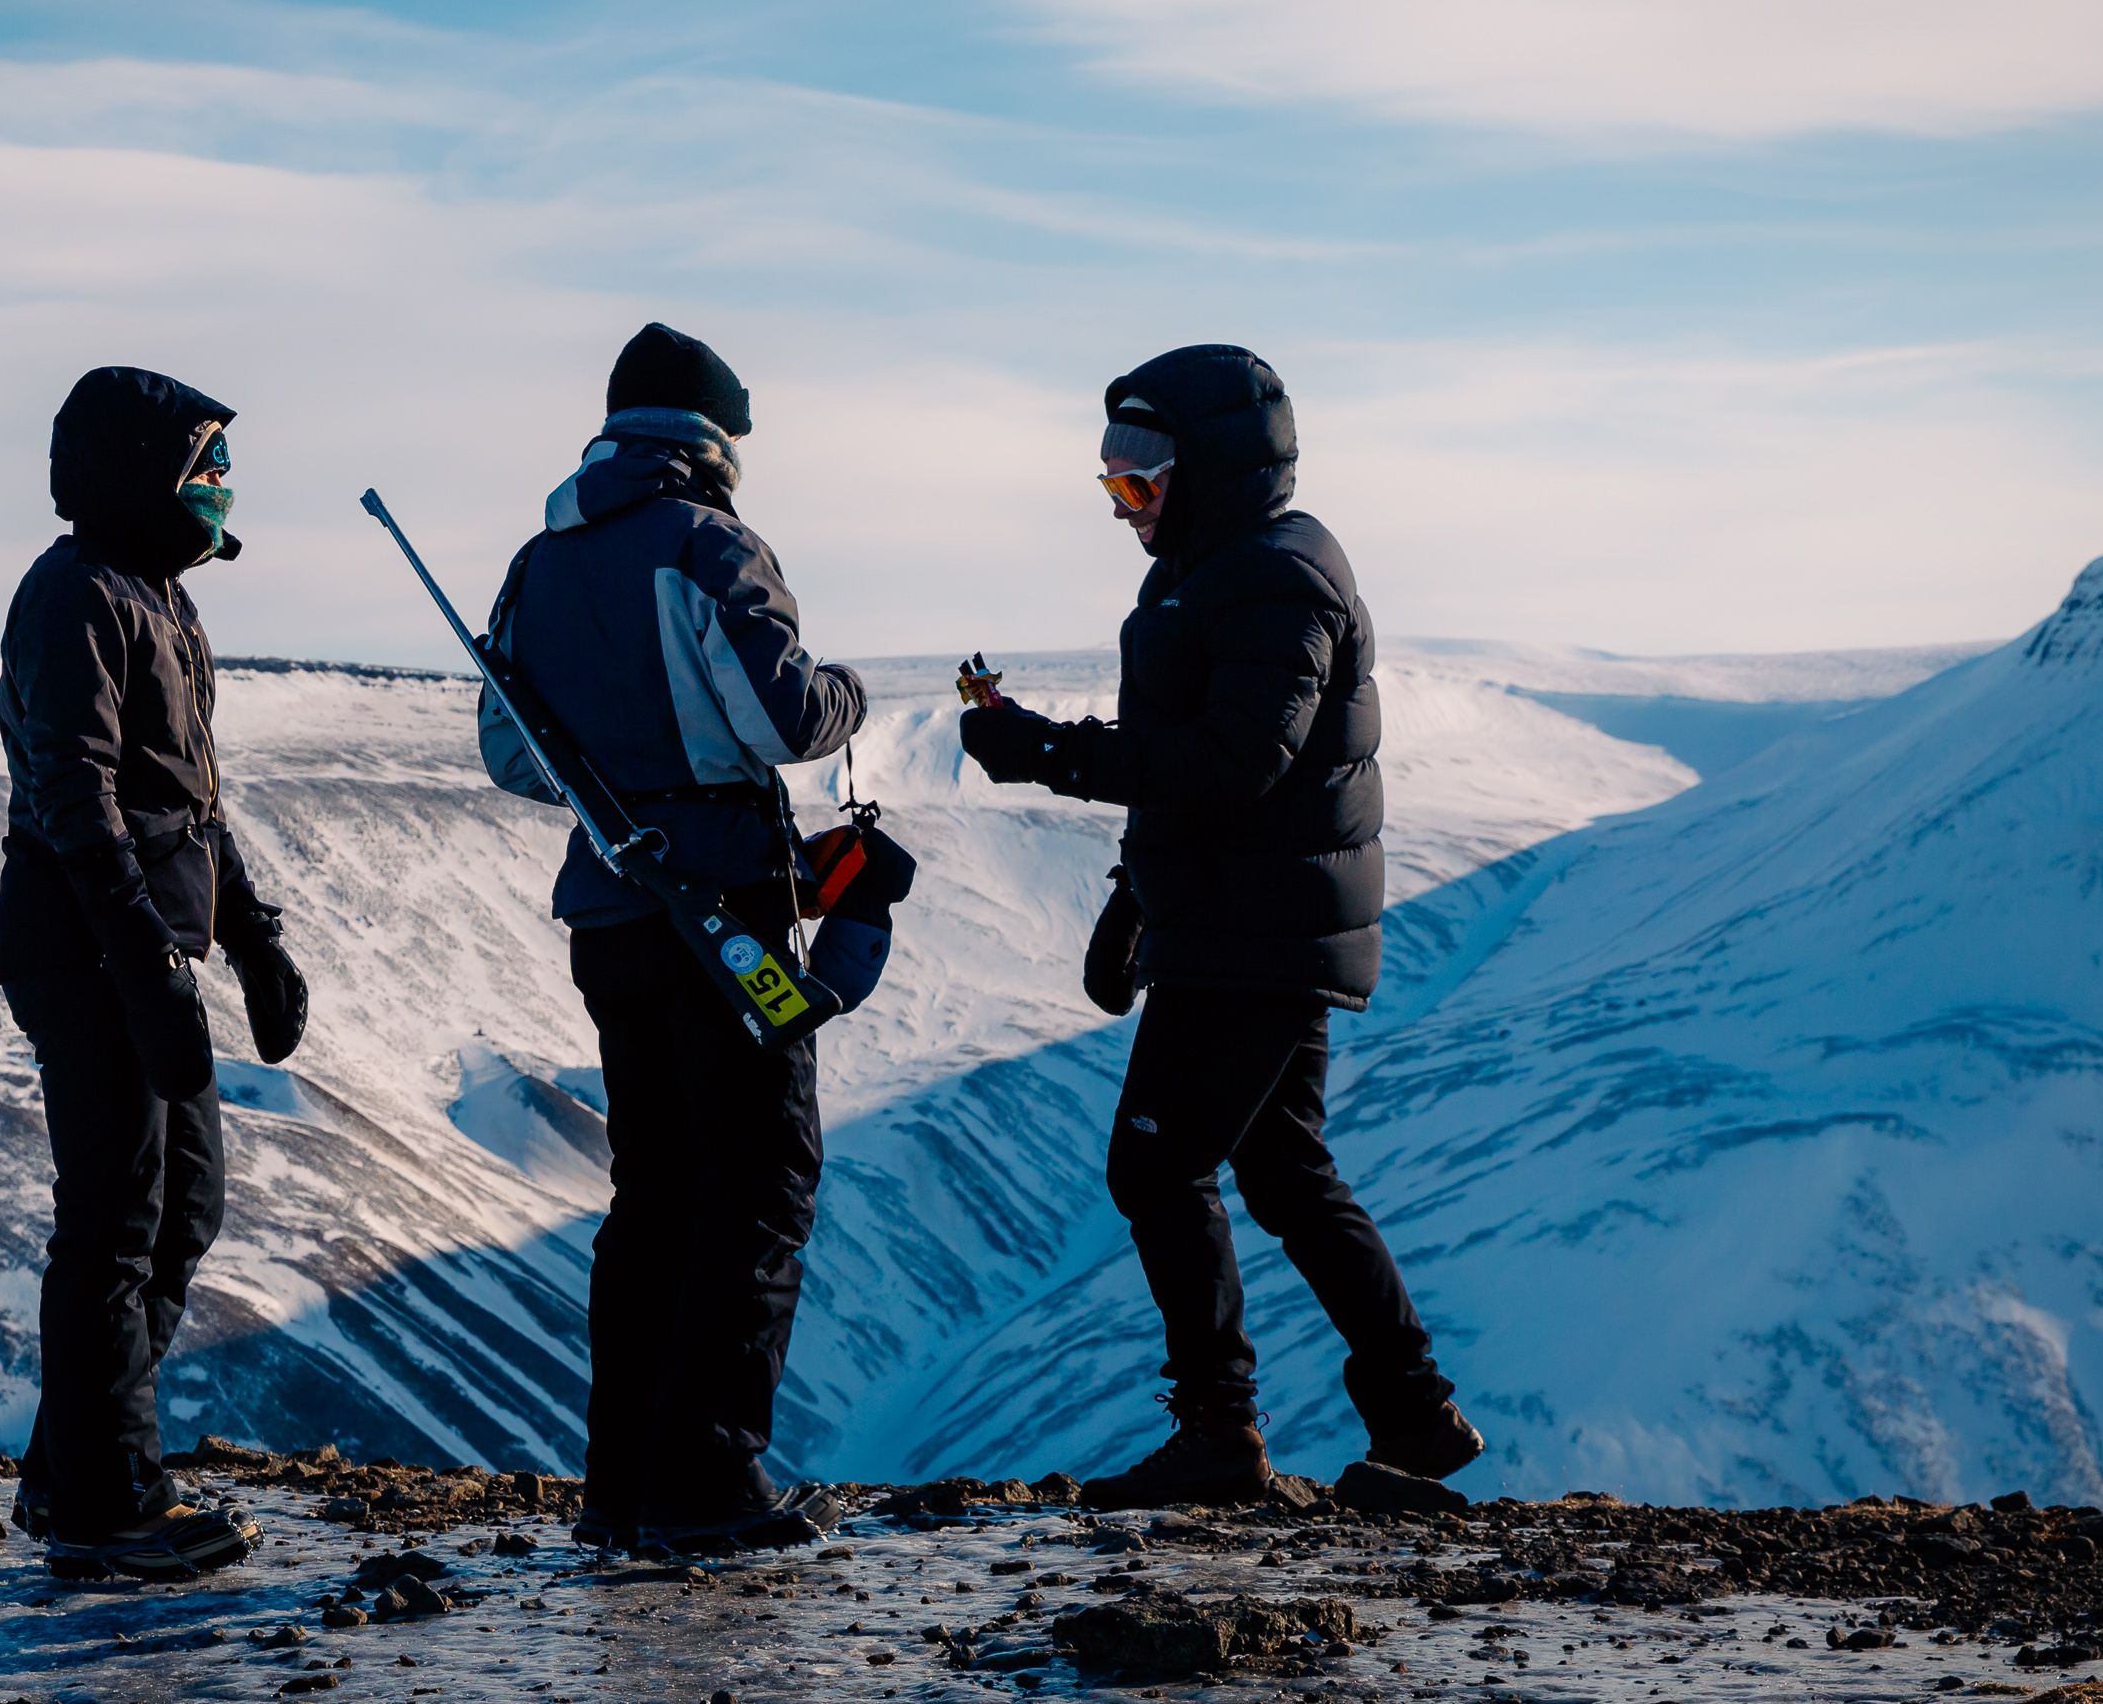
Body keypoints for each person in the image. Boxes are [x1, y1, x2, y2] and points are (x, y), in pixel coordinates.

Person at [957, 344, 1481, 1505]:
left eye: (1142, 475)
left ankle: (1219, 1436)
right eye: (1109, 478)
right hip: (1252, 921)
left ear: (1214, 467)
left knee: (1152, 1167)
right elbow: (1209, 775)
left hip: (1259, 933)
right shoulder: (1222, 566)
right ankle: (1410, 1409)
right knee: (1287, 1172)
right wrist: (1138, 894)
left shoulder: (1272, 577)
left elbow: (1238, 761)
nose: (1121, 502)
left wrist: (1048, 752)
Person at [480, 322, 866, 1552]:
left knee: (650, 1196)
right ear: (712, 439)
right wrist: (848, 690)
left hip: (609, 911)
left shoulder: (539, 562)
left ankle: (621, 1486)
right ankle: (705, 1479)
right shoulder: (710, 546)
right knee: (759, 1184)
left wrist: (618, 786)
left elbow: (508, 754)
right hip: (723, 911)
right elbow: (790, 716)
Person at [0, 365, 310, 1579]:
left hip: (144, 947)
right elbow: (75, 795)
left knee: (181, 1213)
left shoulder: (158, 599)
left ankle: (68, 1473)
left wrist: (254, 937)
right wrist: (143, 964)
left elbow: (193, 806)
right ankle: (108, 1504)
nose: (221, 486)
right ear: (136, 468)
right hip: (88, 952)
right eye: (202, 462)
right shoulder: (72, 596)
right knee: (117, 1223)